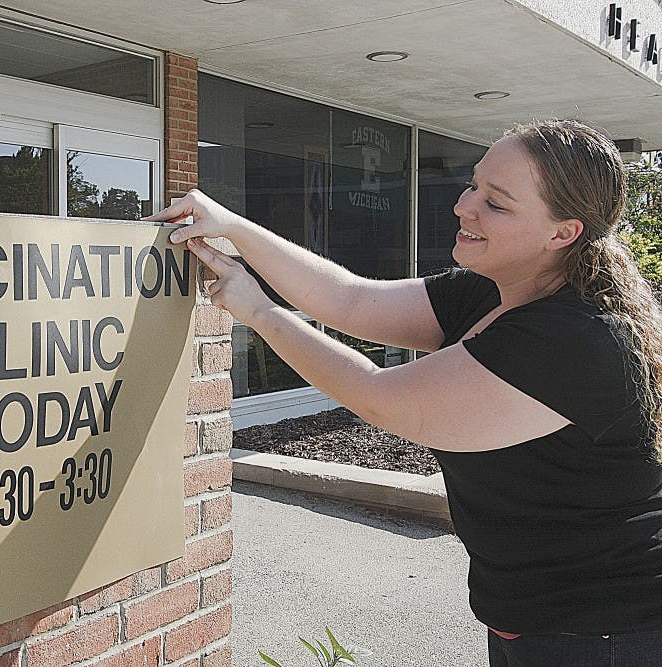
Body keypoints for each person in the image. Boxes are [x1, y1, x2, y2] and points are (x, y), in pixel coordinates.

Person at [148, 120, 662, 667]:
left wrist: (258, 311)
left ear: (562, 233)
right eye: (474, 185)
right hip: (535, 619)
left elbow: (379, 397)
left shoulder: (574, 338)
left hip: (609, 631)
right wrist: (232, 227)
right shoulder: (493, 290)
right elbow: (350, 300)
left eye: (496, 203)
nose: (464, 207)